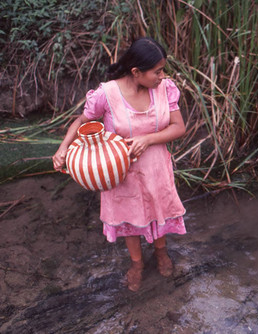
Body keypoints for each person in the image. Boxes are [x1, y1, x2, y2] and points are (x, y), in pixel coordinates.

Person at [52, 37, 186, 292]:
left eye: (162, 70)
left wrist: (147, 139)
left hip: (156, 167)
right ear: (136, 72)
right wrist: (63, 148)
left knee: (157, 211)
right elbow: (81, 122)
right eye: (157, 71)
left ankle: (160, 252)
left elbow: (179, 127)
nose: (162, 75)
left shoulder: (165, 88)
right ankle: (137, 264)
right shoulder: (107, 94)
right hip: (119, 171)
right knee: (129, 218)